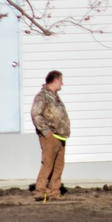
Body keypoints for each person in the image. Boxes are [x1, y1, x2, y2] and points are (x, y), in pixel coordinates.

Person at [31, 70, 71, 202]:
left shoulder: (55, 96)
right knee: (48, 164)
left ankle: (54, 191)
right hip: (50, 136)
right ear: (55, 81)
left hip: (61, 136)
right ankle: (40, 191)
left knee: (58, 166)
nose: (62, 83)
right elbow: (36, 114)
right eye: (61, 80)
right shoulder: (42, 96)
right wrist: (46, 132)